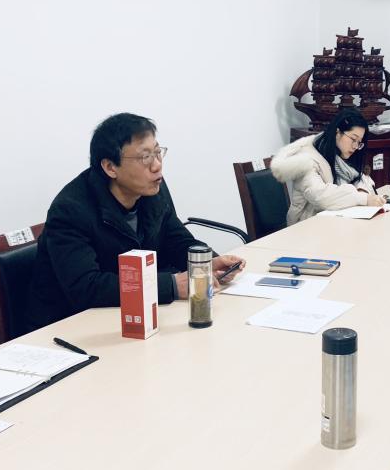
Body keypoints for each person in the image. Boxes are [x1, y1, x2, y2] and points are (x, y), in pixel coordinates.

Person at [28, 113, 245, 329]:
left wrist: (206, 264)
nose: (157, 165)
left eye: (158, 153)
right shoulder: (70, 210)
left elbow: (176, 240)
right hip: (73, 328)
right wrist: (171, 286)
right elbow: (87, 287)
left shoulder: (151, 189)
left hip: (134, 317)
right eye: (145, 157)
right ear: (110, 167)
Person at [271, 108, 383, 224]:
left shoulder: (342, 156)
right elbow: (321, 196)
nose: (355, 146)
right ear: (337, 132)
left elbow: (362, 180)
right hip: (307, 226)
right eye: (353, 139)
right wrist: (363, 198)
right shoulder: (306, 159)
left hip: (336, 222)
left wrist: (361, 191)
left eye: (359, 142)